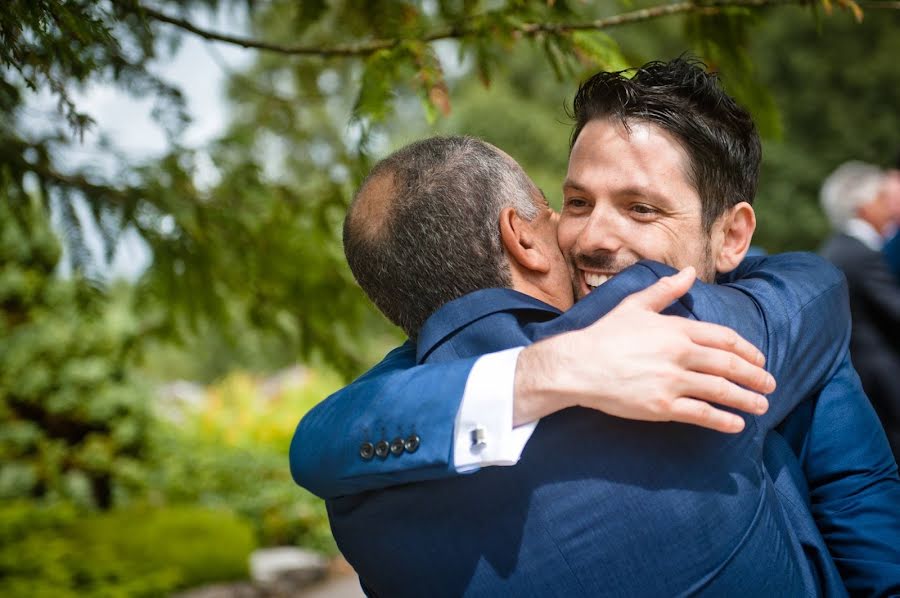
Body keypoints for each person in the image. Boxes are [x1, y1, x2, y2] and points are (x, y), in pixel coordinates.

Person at [292, 60, 900, 595]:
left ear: (733, 234)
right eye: (577, 203)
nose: (590, 237)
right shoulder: (709, 326)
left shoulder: (368, 482)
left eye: (641, 208)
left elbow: (866, 520)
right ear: (525, 235)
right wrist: (549, 371)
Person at [820, 161, 900, 462]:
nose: (889, 209)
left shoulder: (838, 248)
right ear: (863, 206)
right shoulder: (860, 254)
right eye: (882, 199)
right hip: (880, 373)